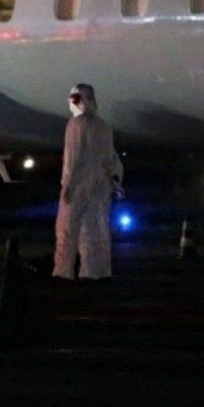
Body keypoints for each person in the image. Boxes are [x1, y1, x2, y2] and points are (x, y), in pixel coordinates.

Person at [53, 83, 123, 281]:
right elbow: (112, 158)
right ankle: (95, 272)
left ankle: (63, 272)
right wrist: (116, 181)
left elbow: (72, 159)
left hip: (79, 186)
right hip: (100, 186)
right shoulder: (103, 126)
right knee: (96, 230)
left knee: (67, 230)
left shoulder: (76, 124)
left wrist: (68, 185)